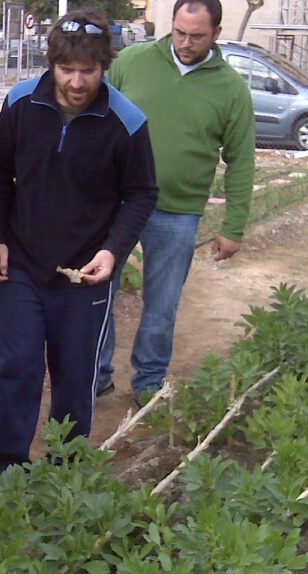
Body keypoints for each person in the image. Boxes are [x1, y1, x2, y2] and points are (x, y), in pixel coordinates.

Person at [0, 9, 158, 473]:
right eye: (67, 70)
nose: (77, 82)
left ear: (105, 66)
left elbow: (141, 194)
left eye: (88, 71)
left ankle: (67, 473)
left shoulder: (127, 121)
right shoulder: (21, 103)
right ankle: (8, 471)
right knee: (15, 368)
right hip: (20, 264)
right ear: (51, 64)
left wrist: (113, 250)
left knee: (75, 377)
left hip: (85, 275)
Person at [96, 0, 255, 404]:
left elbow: (241, 161)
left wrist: (233, 228)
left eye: (197, 36)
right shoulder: (132, 62)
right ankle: (94, 374)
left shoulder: (232, 89)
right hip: (115, 203)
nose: (185, 42)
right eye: (180, 32)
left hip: (177, 212)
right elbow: (93, 118)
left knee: (162, 303)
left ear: (216, 34)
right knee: (98, 292)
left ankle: (148, 382)